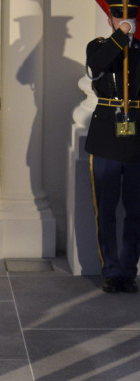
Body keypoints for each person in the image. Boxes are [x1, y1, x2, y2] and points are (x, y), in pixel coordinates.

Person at [85, 0, 140, 294]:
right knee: (105, 209)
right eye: (119, 14)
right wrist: (121, 37)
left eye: (131, 14)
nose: (125, 19)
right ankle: (111, 269)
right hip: (106, 136)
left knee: (135, 210)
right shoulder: (98, 46)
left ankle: (129, 271)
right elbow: (97, 66)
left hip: (136, 139)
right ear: (110, 18)